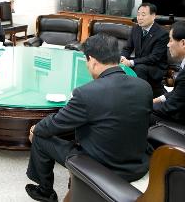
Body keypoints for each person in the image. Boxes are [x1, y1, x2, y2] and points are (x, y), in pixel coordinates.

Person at [25, 34, 153, 202]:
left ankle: (45, 191)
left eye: (86, 62)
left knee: (40, 137)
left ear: (92, 60)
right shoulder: (144, 86)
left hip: (103, 169)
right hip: (137, 165)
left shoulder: (87, 93)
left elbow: (56, 123)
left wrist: (37, 128)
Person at [120, 3, 169, 96]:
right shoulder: (136, 29)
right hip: (140, 62)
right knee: (120, 65)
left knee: (139, 68)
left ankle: (139, 96)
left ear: (153, 16)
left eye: (143, 14)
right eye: (138, 14)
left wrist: (131, 62)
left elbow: (154, 57)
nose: (139, 17)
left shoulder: (162, 34)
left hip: (155, 67)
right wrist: (122, 57)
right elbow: (128, 48)